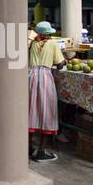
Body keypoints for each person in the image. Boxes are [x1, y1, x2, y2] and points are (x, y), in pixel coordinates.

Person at [28, 21, 66, 162]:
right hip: (45, 77)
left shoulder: (32, 43)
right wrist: (62, 63)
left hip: (30, 76)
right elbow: (60, 64)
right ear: (49, 33)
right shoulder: (53, 43)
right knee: (47, 112)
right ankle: (41, 151)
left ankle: (28, 148)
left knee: (30, 112)